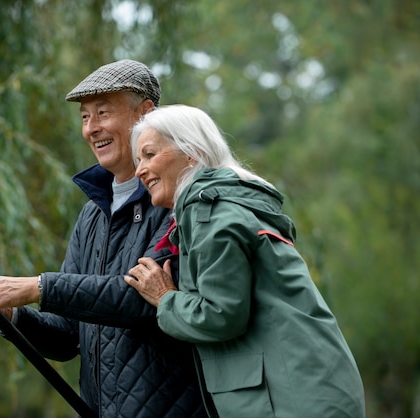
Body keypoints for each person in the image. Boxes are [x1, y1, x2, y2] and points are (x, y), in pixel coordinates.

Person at [0, 61, 206, 417]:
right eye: (84, 117)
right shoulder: (92, 215)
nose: (92, 128)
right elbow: (67, 335)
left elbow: (142, 300)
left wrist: (39, 287)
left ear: (146, 113)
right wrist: (11, 315)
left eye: (103, 113)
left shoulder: (176, 199)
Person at [125, 104, 366, 418]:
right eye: (138, 159)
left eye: (149, 154)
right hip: (316, 389)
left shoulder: (211, 213)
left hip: (295, 400)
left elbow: (222, 315)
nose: (139, 170)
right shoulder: (225, 206)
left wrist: (165, 298)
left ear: (191, 152)